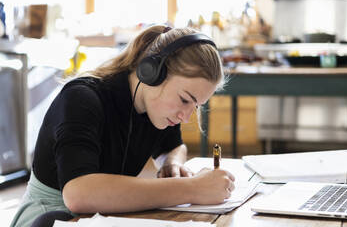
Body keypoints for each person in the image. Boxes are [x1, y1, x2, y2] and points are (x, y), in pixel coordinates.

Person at [10, 25, 235, 227]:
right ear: (153, 73)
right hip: (51, 217)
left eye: (196, 106)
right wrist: (193, 189)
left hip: (105, 217)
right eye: (185, 100)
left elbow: (173, 146)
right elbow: (79, 194)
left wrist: (171, 162)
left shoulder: (155, 108)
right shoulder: (82, 99)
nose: (186, 117)